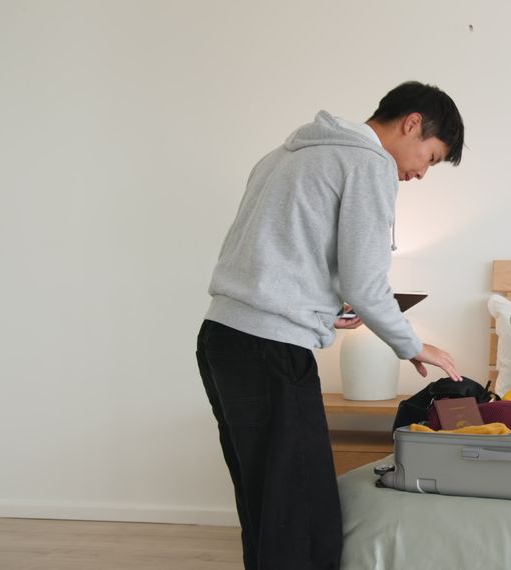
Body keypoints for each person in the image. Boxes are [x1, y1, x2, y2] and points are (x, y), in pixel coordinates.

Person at [195, 81, 465, 570]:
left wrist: (326, 308)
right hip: (271, 350)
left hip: (222, 339)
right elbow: (365, 281)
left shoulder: (282, 155)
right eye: (430, 155)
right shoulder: (368, 163)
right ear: (412, 124)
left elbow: (276, 253)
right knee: (303, 514)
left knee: (265, 503)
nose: (422, 172)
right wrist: (412, 345)